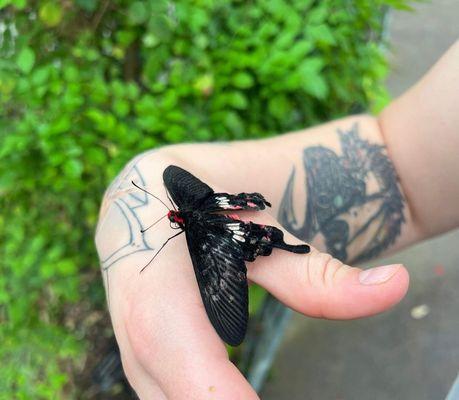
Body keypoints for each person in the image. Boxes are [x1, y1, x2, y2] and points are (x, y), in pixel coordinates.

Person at [95, 40, 459, 399]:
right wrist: (139, 180)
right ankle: (257, 230)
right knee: (232, 233)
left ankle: (257, 231)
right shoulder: (183, 205)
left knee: (228, 242)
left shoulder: (195, 233)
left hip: (224, 220)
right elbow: (398, 170)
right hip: (223, 213)